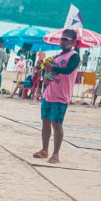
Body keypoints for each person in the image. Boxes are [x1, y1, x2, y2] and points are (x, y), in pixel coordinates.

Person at [32, 28, 80, 164]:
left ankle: (56, 154)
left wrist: (52, 68)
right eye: (62, 39)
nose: (63, 42)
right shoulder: (57, 56)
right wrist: (46, 75)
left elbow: (68, 70)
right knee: (45, 122)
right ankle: (44, 149)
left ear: (72, 42)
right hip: (49, 93)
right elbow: (49, 74)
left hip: (61, 96)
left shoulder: (74, 56)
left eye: (66, 39)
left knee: (57, 124)